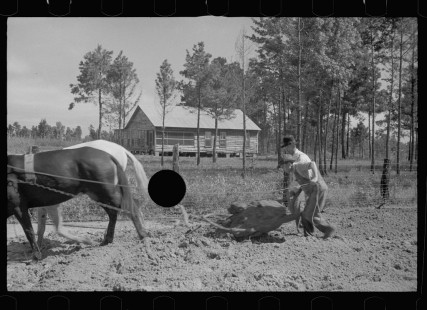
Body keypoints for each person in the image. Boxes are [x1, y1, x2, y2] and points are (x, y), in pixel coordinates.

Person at [281, 154, 335, 239]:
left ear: (288, 164)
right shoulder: (294, 171)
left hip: (318, 189)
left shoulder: (298, 166)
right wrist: (294, 191)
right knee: (308, 214)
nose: (283, 169)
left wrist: (315, 177)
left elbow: (312, 163)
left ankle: (328, 230)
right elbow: (303, 183)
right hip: (314, 191)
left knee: (309, 214)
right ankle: (309, 235)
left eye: (282, 166)